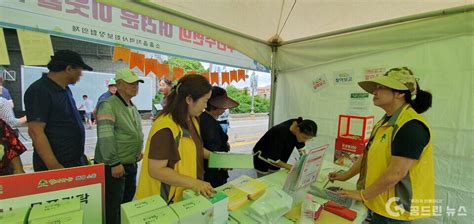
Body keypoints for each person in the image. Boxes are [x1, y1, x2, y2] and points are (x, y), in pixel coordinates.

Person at [330, 67, 434, 223]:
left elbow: (396, 173)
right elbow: (368, 154)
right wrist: (345, 176)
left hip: (394, 212)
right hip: (377, 202)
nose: (374, 92)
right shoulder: (385, 122)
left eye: (381, 87)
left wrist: (363, 194)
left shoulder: (411, 126)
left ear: (399, 92)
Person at [136, 74, 214, 203]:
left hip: (182, 196)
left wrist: (216, 157)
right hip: (162, 202)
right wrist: (195, 183)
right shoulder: (165, 127)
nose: (205, 106)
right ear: (189, 99)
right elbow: (156, 170)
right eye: (205, 101)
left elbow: (195, 148)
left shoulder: (192, 120)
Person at [25, 50, 93, 171]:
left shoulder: (65, 89)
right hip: (57, 165)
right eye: (79, 70)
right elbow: (35, 132)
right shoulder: (40, 90)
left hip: (74, 161)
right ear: (69, 69)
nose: (81, 75)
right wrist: (54, 166)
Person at [94, 68, 144, 224]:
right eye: (131, 84)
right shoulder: (108, 104)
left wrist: (137, 151)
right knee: (113, 206)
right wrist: (114, 162)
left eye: (137, 83)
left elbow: (133, 132)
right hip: (114, 166)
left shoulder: (132, 106)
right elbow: (105, 136)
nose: (135, 87)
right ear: (120, 85)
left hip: (129, 163)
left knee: (126, 202)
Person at [200, 86, 239, 187]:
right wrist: (223, 161)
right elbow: (214, 150)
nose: (225, 108)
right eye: (223, 105)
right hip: (213, 173)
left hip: (207, 170)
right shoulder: (210, 124)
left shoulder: (203, 118)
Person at [253, 117, 317, 177]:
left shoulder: (299, 126)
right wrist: (292, 168)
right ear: (297, 130)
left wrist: (306, 162)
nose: (305, 140)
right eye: (304, 137)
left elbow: (302, 151)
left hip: (278, 157)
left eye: (308, 139)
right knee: (264, 181)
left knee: (274, 178)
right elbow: (274, 159)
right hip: (262, 157)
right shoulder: (280, 132)